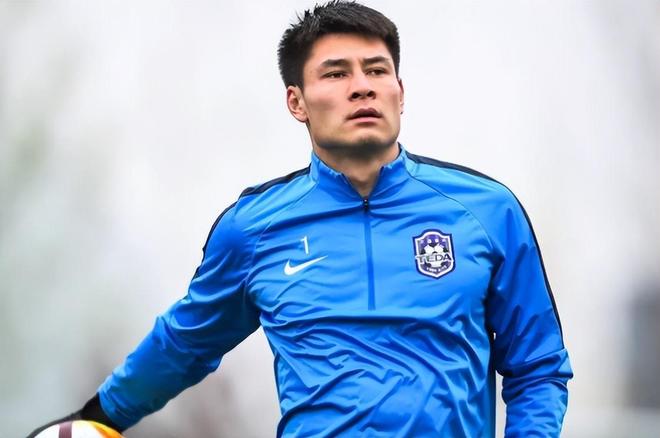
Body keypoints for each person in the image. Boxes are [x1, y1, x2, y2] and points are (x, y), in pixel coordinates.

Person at [30, 1, 572, 436]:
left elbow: (538, 368)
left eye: (377, 70)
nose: (361, 86)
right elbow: (184, 345)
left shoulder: (486, 211)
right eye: (336, 74)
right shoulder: (253, 228)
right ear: (297, 102)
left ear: (400, 93)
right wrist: (95, 419)